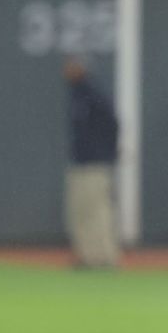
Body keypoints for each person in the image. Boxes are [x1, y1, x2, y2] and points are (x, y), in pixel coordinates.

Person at [62, 57, 120, 269]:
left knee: (98, 211)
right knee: (79, 212)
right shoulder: (76, 93)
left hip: (97, 163)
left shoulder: (93, 93)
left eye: (72, 65)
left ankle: (104, 257)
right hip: (80, 162)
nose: (67, 70)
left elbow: (113, 122)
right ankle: (86, 257)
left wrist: (108, 151)